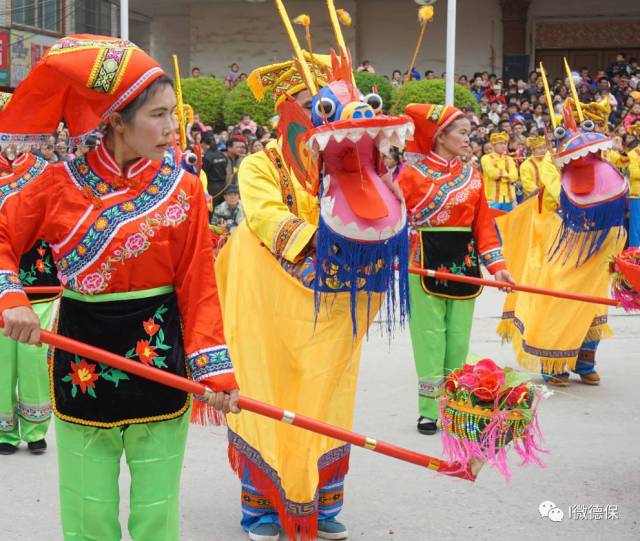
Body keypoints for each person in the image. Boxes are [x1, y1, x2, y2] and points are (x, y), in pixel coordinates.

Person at [0, 34, 238, 540]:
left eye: (173, 113)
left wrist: (215, 372)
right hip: (82, 359)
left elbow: (198, 283)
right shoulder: (56, 184)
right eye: (157, 115)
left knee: (157, 511)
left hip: (159, 360)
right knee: (89, 512)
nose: (172, 127)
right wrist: (13, 297)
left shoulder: (186, 188)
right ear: (115, 121)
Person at [397, 104, 514, 435]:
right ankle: (428, 409)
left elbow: (484, 227)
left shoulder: (472, 177)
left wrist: (498, 268)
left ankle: (454, 404)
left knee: (459, 339)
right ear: (439, 136)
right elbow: (394, 221)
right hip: (423, 264)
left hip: (464, 264)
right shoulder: (409, 176)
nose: (468, 139)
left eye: (468, 133)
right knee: (429, 337)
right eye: (462, 133)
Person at [0, 148, 59, 456]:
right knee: (3, 359)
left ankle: (36, 428)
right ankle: (5, 431)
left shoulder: (44, 173)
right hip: (2, 287)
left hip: (40, 282)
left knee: (33, 357)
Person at [481, 131, 518, 211]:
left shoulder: (509, 159)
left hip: (509, 198)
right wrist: (507, 176)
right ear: (493, 145)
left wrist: (502, 176)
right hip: (492, 198)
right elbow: (493, 174)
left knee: (508, 222)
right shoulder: (486, 158)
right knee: (492, 222)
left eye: (505, 143)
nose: (504, 146)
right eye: (500, 143)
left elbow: (514, 176)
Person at [519, 135, 560, 206]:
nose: (543, 150)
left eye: (544, 148)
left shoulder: (550, 161)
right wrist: (542, 193)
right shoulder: (525, 165)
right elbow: (527, 184)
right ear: (533, 150)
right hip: (535, 199)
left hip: (553, 198)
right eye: (539, 148)